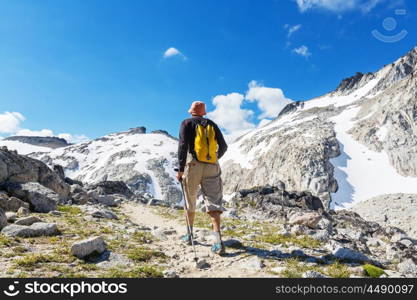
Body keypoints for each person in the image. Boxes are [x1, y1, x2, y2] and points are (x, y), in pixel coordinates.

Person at [177, 101, 228, 255]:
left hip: (193, 166)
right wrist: (214, 159)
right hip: (212, 166)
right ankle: (218, 242)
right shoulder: (212, 124)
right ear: (203, 112)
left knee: (190, 200)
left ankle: (189, 235)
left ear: (191, 111)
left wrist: (180, 170)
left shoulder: (186, 123)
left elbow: (182, 146)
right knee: (214, 203)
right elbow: (224, 146)